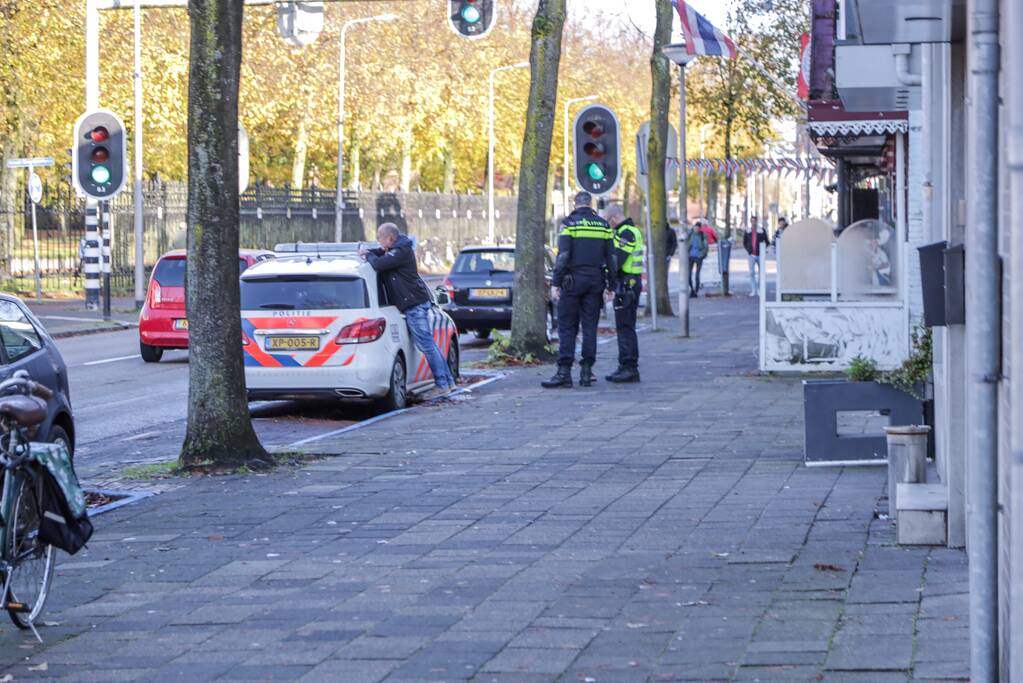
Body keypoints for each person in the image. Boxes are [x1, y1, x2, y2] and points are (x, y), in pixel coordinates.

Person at [361, 223, 455, 396]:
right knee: (429, 345)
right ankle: (448, 382)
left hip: (414, 306)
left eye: (380, 238)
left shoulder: (401, 252)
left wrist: (367, 255)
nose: (378, 242)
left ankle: (442, 384)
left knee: (427, 346)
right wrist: (369, 252)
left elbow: (379, 264)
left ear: (390, 238)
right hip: (415, 303)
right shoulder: (399, 249)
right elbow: (381, 254)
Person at [543, 192, 616, 389]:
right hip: (595, 282)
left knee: (567, 327)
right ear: (590, 204)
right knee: (590, 327)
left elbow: (563, 256)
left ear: (574, 204)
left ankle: (564, 373)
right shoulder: (603, 225)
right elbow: (611, 258)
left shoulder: (569, 224)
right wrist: (611, 285)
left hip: (572, 282)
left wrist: (556, 283)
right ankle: (586, 372)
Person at [602, 205, 644, 383]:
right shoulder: (627, 231)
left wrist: (604, 273)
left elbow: (616, 261)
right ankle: (624, 365)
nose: (607, 225)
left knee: (625, 327)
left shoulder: (626, 233)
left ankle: (629, 368)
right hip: (628, 284)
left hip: (627, 285)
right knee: (624, 326)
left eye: (607, 221)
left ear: (613, 218)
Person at [743, 216, 770, 296]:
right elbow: (744, 242)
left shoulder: (761, 230)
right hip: (751, 255)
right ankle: (753, 290)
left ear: (757, 221)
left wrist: (762, 249)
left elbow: (767, 242)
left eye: (754, 221)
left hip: (760, 255)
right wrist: (748, 249)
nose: (753, 223)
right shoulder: (748, 231)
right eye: (752, 221)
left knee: (761, 273)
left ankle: (759, 289)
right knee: (751, 273)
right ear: (750, 222)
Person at [686, 223, 710, 298]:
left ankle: (696, 291)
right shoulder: (690, 234)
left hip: (698, 257)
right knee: (688, 275)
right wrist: (687, 253)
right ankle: (692, 289)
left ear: (700, 229)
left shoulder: (703, 235)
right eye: (695, 228)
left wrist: (701, 255)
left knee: (697, 275)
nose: (695, 229)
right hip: (690, 256)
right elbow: (686, 243)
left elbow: (706, 247)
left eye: (697, 228)